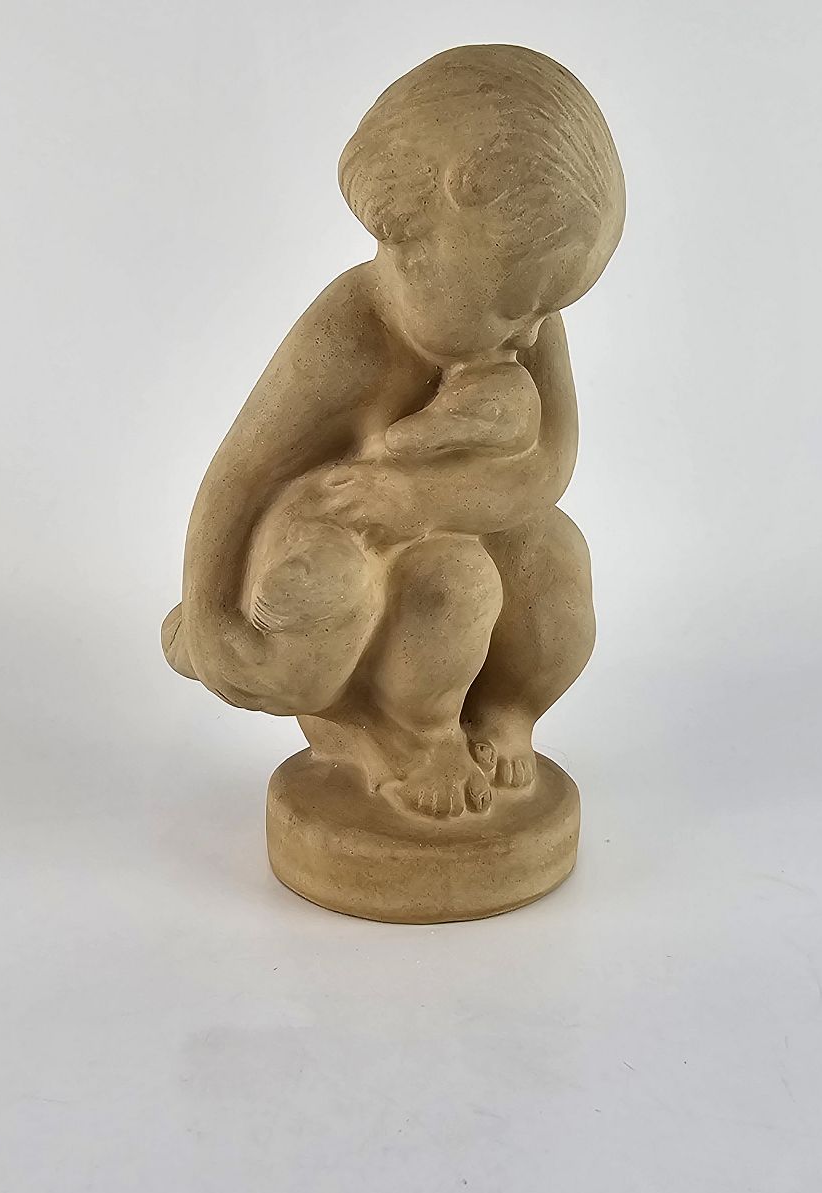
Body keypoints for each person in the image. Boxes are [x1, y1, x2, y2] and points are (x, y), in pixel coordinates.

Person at [163, 44, 624, 817]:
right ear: (415, 245)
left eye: (550, 308)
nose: (530, 331)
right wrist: (208, 618)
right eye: (514, 303)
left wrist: (427, 500)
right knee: (453, 582)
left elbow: (551, 463)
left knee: (555, 567)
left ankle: (503, 713)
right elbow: (244, 471)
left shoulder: (533, 326)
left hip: (460, 522)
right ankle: (406, 736)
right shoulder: (347, 334)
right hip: (359, 555)